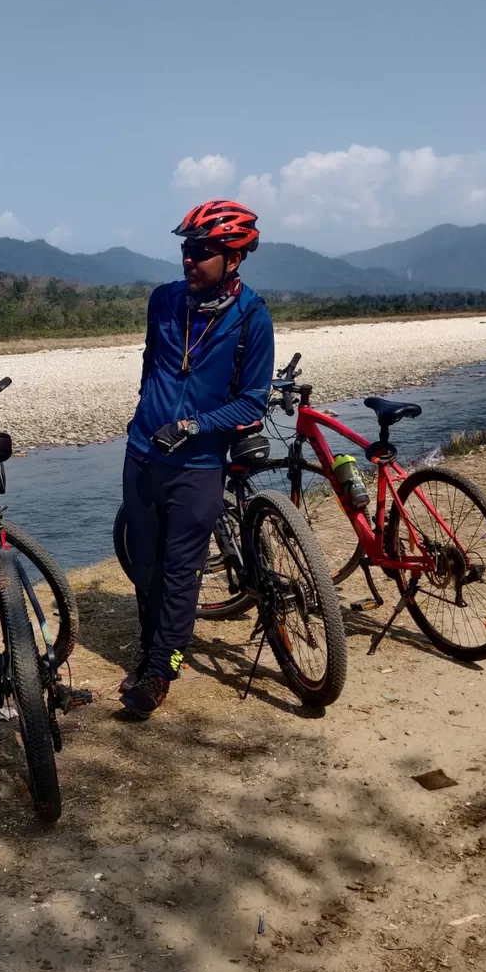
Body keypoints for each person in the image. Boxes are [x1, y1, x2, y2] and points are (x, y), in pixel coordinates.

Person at [120, 199, 274, 718]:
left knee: (182, 571)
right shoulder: (163, 301)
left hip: (200, 465)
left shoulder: (253, 317)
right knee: (146, 566)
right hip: (142, 453)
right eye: (186, 249)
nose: (189, 260)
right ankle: (150, 647)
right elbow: (150, 363)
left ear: (233, 258)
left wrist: (194, 425)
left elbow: (253, 399)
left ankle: (162, 668)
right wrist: (145, 411)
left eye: (202, 252)